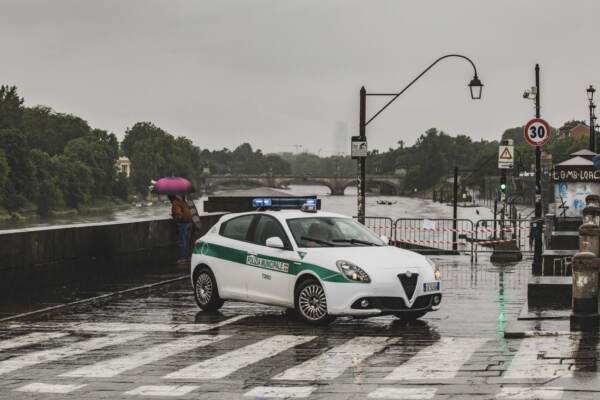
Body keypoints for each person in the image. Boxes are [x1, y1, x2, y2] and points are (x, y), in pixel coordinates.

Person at [168, 194, 193, 266]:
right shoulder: (183, 201)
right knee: (187, 240)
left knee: (182, 241)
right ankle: (188, 257)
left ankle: (183, 258)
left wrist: (175, 218)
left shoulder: (175, 203)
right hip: (189, 222)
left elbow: (179, 214)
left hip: (183, 223)